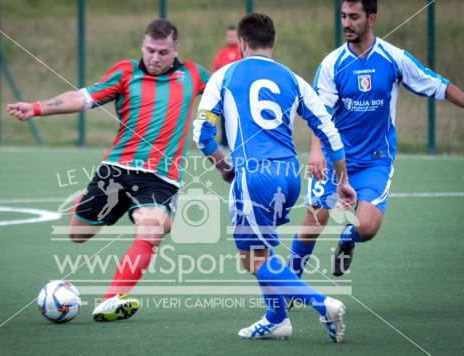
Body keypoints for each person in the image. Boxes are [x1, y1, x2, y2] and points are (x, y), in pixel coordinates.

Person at [7, 19, 210, 322]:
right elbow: (82, 98)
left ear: (175, 50)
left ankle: (112, 300)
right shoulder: (126, 72)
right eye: (150, 50)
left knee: (151, 229)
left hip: (160, 177)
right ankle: (140, 211)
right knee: (78, 234)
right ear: (143, 45)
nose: (155, 58)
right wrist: (37, 108)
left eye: (163, 52)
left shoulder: (193, 75)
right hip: (116, 171)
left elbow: (228, 90)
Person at [193, 13, 356, 342]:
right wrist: (343, 179)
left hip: (254, 176)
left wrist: (225, 168)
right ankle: (276, 317)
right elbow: (329, 132)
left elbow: (202, 133)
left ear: (241, 43)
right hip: (289, 177)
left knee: (251, 257)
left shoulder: (224, 75)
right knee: (260, 252)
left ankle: (321, 303)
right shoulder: (293, 79)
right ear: (273, 43)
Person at [289, 0, 464, 280]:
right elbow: (319, 114)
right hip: (338, 159)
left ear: (371, 18)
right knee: (315, 220)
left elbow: (438, 85)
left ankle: (348, 237)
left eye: (354, 17)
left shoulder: (394, 58)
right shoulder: (332, 65)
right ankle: (290, 286)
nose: (346, 23)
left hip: (375, 160)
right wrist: (316, 152)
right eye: (343, 16)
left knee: (367, 228)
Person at [213, 25, 243, 148]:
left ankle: (239, 141)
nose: (231, 38)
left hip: (239, 91)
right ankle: (224, 141)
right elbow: (216, 70)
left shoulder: (241, 52)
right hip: (225, 91)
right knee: (224, 116)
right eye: (229, 36)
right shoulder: (222, 53)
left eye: (233, 36)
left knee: (239, 116)